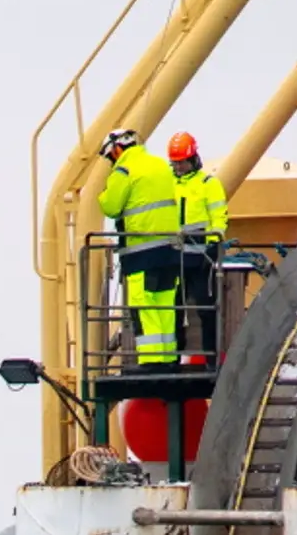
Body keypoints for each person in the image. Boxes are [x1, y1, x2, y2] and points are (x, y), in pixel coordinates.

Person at [98, 127, 182, 368]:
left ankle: (152, 360)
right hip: (170, 249)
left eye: (109, 156)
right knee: (166, 305)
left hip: (140, 252)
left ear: (116, 149)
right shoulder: (159, 166)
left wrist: (103, 194)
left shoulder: (124, 170)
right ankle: (168, 358)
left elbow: (111, 206)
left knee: (143, 306)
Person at [169, 132, 228, 358]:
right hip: (174, 256)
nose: (179, 167)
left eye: (182, 162)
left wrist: (213, 246)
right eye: (175, 163)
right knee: (172, 310)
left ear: (193, 159)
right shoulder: (167, 184)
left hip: (201, 256)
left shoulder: (208, 184)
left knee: (206, 308)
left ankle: (211, 357)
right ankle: (172, 357)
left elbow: (218, 218)